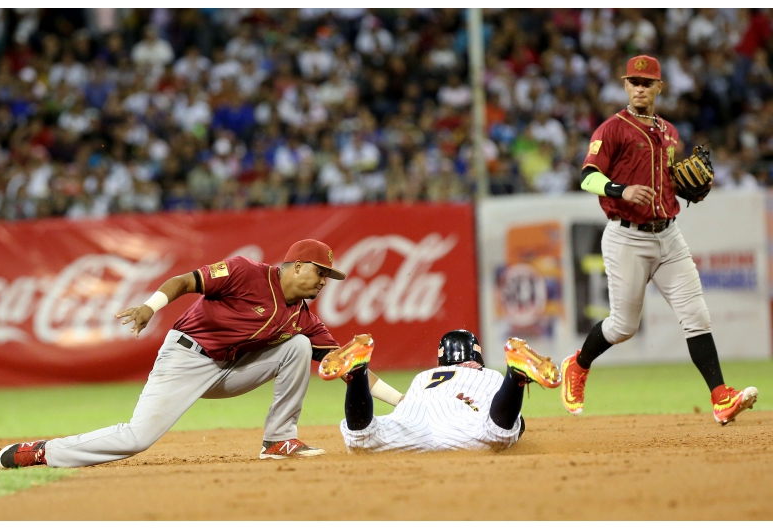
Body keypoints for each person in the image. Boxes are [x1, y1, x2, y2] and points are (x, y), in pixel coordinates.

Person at [0, 239, 405, 468]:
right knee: (137, 438)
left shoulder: (303, 317)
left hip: (229, 370)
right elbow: (183, 281)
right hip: (187, 358)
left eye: (329, 276)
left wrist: (404, 402)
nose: (324, 282)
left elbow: (349, 367)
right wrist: (149, 307)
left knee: (298, 346)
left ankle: (279, 440)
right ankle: (45, 451)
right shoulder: (247, 271)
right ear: (297, 266)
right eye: (321, 272)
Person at [566, 55, 758, 425]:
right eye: (633, 82)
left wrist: (689, 187)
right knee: (624, 326)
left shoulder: (670, 132)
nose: (639, 88)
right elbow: (587, 177)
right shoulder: (612, 129)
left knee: (696, 315)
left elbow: (669, 178)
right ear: (625, 85)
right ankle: (579, 364)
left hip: (668, 235)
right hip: (626, 237)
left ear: (659, 87)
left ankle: (721, 397)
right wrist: (619, 189)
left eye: (646, 82)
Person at [319, 330, 561, 453]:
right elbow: (508, 420)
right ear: (477, 355)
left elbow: (403, 402)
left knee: (363, 439)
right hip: (464, 419)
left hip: (411, 420)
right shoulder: (487, 375)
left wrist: (363, 380)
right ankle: (515, 376)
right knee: (498, 433)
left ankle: (358, 374)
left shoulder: (423, 377)